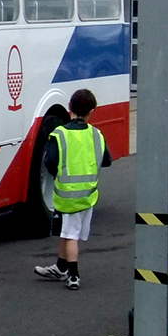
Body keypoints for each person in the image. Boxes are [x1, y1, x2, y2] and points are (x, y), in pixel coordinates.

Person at [34, 87, 112, 291]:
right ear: (91, 111)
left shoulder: (59, 134)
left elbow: (50, 162)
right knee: (67, 231)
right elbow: (107, 160)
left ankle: (73, 275)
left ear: (69, 108)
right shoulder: (97, 134)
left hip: (67, 195)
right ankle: (60, 268)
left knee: (71, 236)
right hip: (88, 195)